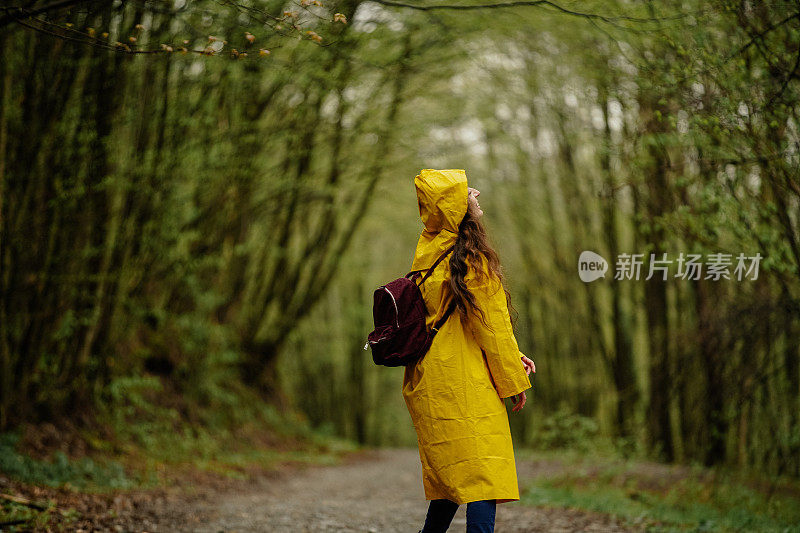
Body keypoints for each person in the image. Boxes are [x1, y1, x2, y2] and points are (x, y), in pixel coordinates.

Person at [403, 168, 536, 533]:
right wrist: (513, 381)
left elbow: (459, 322)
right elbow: (491, 327)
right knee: (484, 473)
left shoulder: (427, 250)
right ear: (455, 208)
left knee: (452, 472)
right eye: (468, 193)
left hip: (430, 376)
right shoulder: (472, 259)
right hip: (465, 381)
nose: (476, 194)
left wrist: (515, 355)